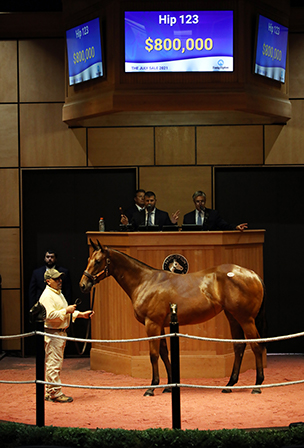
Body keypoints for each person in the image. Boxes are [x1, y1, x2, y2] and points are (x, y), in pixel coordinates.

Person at [39, 268, 94, 403]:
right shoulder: (47, 296)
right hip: (54, 333)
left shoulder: (56, 293)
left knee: (54, 362)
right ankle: (54, 393)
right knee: (54, 363)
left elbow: (64, 313)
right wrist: (66, 310)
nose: (59, 281)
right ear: (48, 281)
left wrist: (80, 314)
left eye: (59, 278)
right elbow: (49, 316)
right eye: (56, 279)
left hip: (59, 332)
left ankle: (50, 390)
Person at [183, 190, 248, 231]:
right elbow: (184, 232)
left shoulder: (213, 214)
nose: (200, 204)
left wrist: (236, 227)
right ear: (194, 202)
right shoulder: (187, 217)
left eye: (202, 201)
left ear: (205, 201)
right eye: (198, 202)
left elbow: (224, 225)